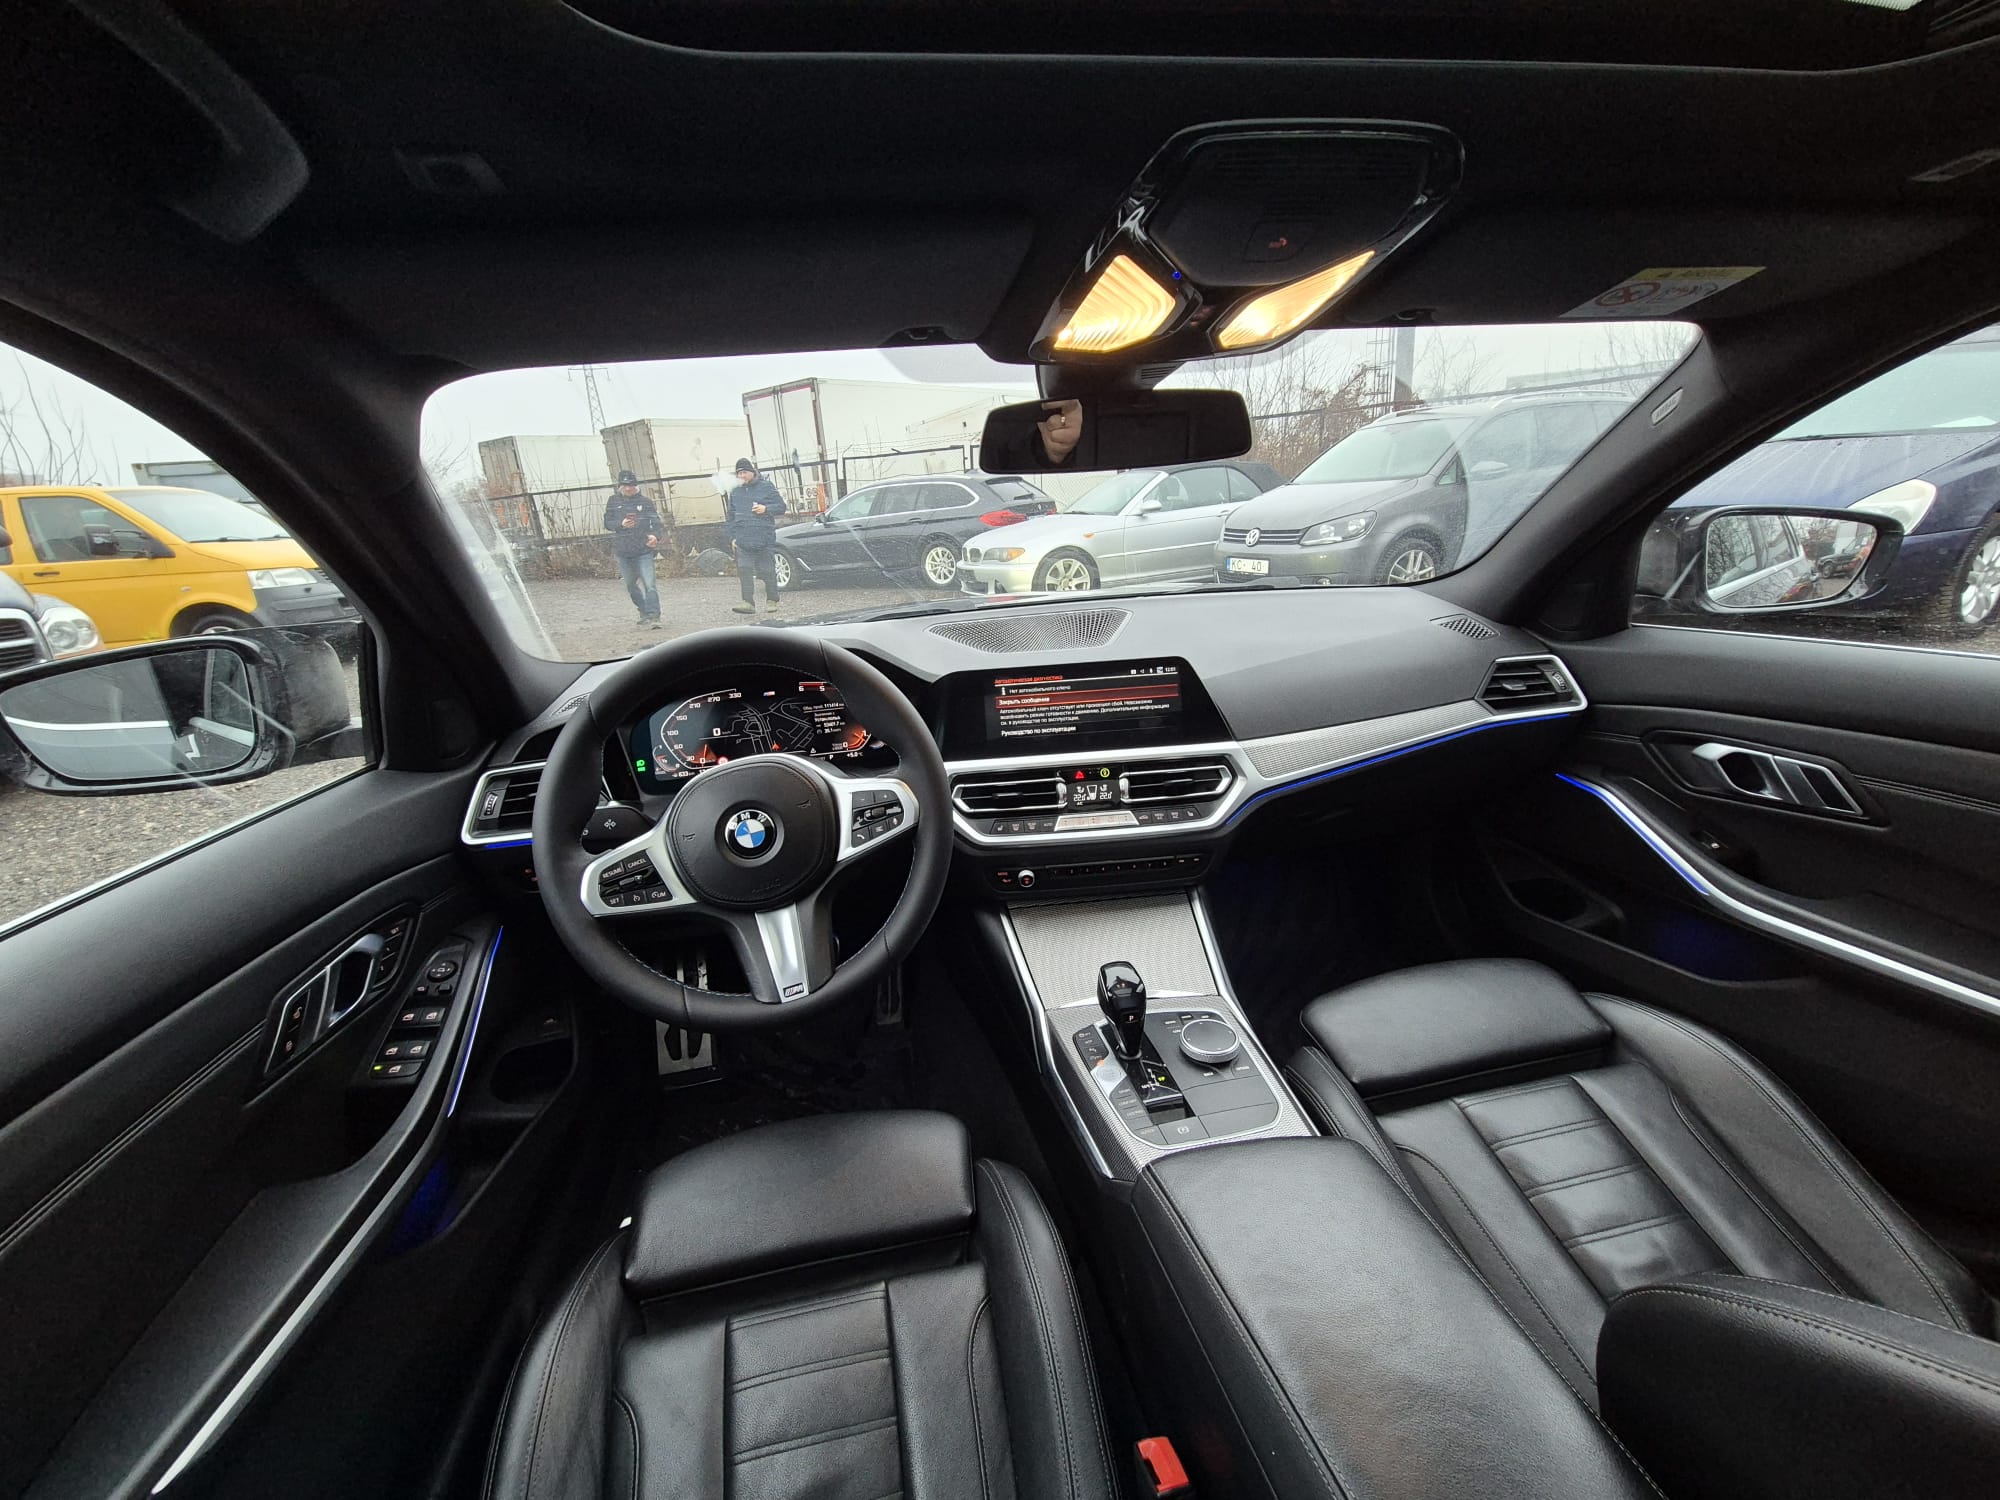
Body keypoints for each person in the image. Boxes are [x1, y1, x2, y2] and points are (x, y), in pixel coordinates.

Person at [724, 458, 787, 615]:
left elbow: (781, 507)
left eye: (745, 472)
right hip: (743, 539)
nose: (742, 476)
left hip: (764, 537)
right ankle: (747, 603)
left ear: (752, 472)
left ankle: (772, 600)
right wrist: (732, 537)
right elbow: (730, 517)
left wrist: (766, 509)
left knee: (767, 570)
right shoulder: (735, 492)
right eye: (739, 473)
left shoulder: (766, 487)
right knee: (744, 570)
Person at [603, 469, 662, 627]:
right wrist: (621, 524)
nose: (628, 488)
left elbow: (657, 523)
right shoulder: (613, 501)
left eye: (630, 485)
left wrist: (655, 536)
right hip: (623, 551)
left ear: (636, 485)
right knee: (630, 585)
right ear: (620, 486)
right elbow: (607, 523)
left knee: (649, 584)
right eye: (625, 485)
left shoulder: (646, 502)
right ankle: (643, 611)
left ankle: (654, 616)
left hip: (643, 549)